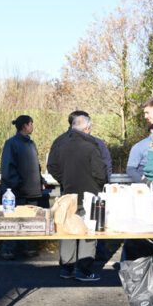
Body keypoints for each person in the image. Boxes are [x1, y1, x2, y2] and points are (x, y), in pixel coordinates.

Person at [47, 114, 106, 282]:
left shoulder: (60, 143)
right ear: (87, 129)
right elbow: (101, 174)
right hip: (89, 194)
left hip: (68, 193)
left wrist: (64, 180)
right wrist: (98, 185)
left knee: (68, 229)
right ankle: (84, 270)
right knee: (88, 231)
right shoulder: (91, 146)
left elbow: (51, 166)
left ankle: (67, 268)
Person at [0, 115, 43, 260]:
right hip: (16, 190)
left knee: (28, 220)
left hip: (31, 190)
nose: (32, 127)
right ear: (25, 126)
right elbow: (8, 168)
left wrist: (41, 180)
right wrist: (16, 184)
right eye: (31, 124)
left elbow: (36, 165)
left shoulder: (31, 143)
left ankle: (24, 248)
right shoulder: (11, 143)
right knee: (12, 219)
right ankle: (9, 249)